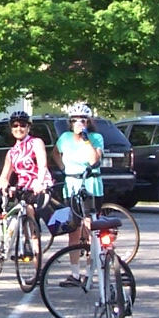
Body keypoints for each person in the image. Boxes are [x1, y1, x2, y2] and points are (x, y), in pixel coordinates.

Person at [55, 102, 104, 284]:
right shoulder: (65, 138)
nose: (78, 123)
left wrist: (85, 138)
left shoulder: (95, 138)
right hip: (71, 185)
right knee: (73, 230)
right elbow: (55, 154)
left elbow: (93, 161)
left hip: (91, 185)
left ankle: (90, 273)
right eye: (75, 120)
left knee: (90, 228)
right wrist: (64, 169)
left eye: (83, 120)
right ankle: (75, 273)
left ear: (88, 121)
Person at [0, 109, 51, 220]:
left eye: (22, 125)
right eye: (15, 126)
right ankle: (26, 230)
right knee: (19, 220)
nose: (19, 128)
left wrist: (40, 183)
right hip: (22, 190)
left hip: (39, 187)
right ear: (11, 129)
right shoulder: (11, 152)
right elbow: (4, 176)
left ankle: (34, 231)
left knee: (35, 215)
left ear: (28, 127)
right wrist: (4, 184)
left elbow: (43, 166)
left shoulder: (36, 143)